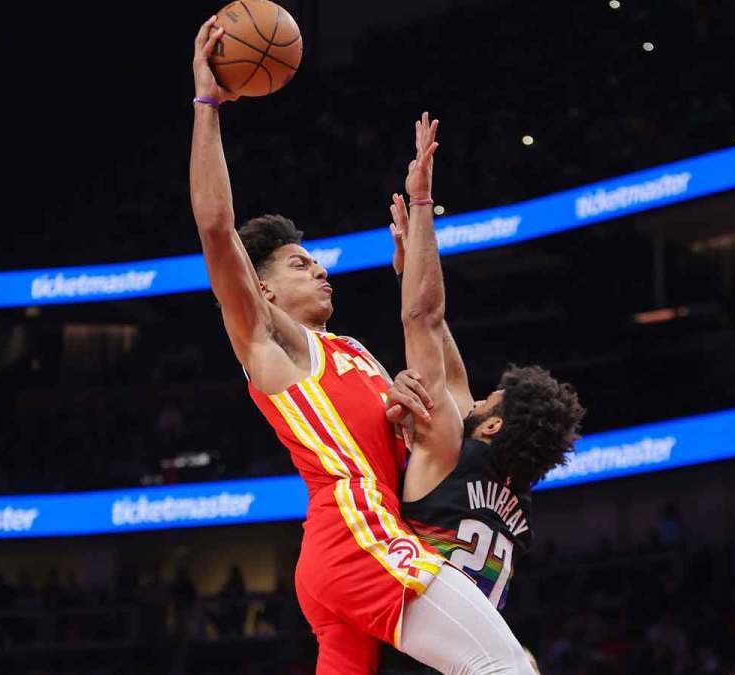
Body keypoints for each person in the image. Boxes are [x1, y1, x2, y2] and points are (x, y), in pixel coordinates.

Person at [190, 19, 533, 674]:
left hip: (339, 556)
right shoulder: (272, 342)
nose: (319, 269)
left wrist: (404, 406)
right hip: (357, 536)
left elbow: (427, 332)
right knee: (507, 667)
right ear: (262, 290)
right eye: (298, 264)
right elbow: (214, 226)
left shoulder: (356, 352)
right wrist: (208, 105)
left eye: (316, 260)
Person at [384, 192, 584, 610]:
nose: (474, 401)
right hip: (481, 642)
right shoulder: (519, 494)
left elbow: (424, 319)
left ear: (492, 427)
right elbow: (455, 377)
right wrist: (408, 275)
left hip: (424, 641)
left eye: (486, 401)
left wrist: (422, 204)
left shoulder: (450, 453)